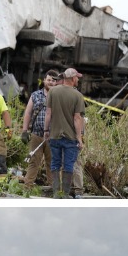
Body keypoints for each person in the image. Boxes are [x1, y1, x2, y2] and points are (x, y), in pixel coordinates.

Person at [45, 68, 86, 198]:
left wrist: (46, 131)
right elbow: (77, 118)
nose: (78, 79)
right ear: (73, 78)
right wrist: (79, 138)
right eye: (77, 77)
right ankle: (65, 194)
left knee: (55, 163)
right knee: (68, 165)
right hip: (70, 137)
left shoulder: (53, 91)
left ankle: (57, 193)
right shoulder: (77, 95)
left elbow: (48, 113)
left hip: (55, 135)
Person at [21, 70, 60, 193]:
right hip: (36, 135)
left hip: (53, 137)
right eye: (49, 80)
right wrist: (24, 130)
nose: (51, 82)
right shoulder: (35, 95)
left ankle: (54, 190)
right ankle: (27, 188)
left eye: (53, 80)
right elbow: (28, 113)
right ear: (44, 81)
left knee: (53, 164)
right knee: (33, 162)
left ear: (57, 82)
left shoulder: (59, 96)